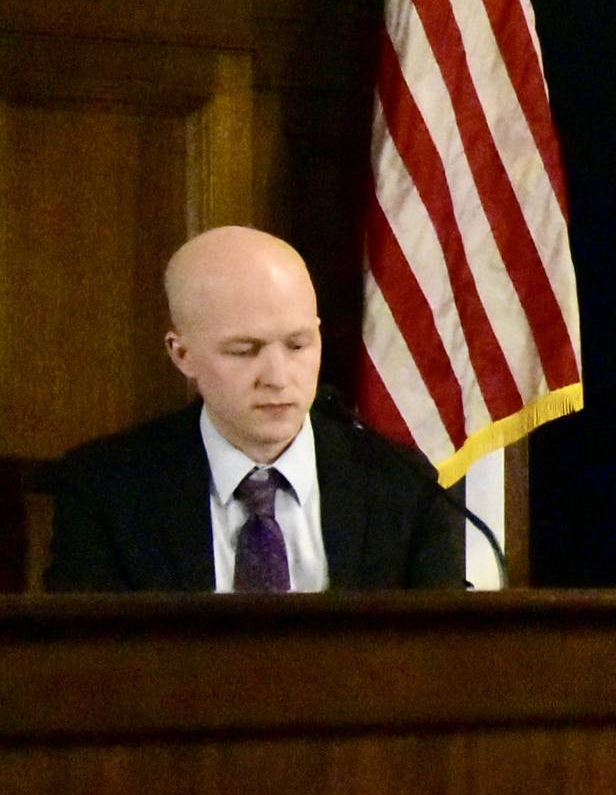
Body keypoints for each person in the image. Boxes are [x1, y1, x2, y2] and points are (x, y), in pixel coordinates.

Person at [46, 226, 464, 592]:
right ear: (182, 354)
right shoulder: (105, 491)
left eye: (298, 345)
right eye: (245, 351)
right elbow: (88, 666)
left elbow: (437, 658)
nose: (278, 377)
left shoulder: (405, 486)